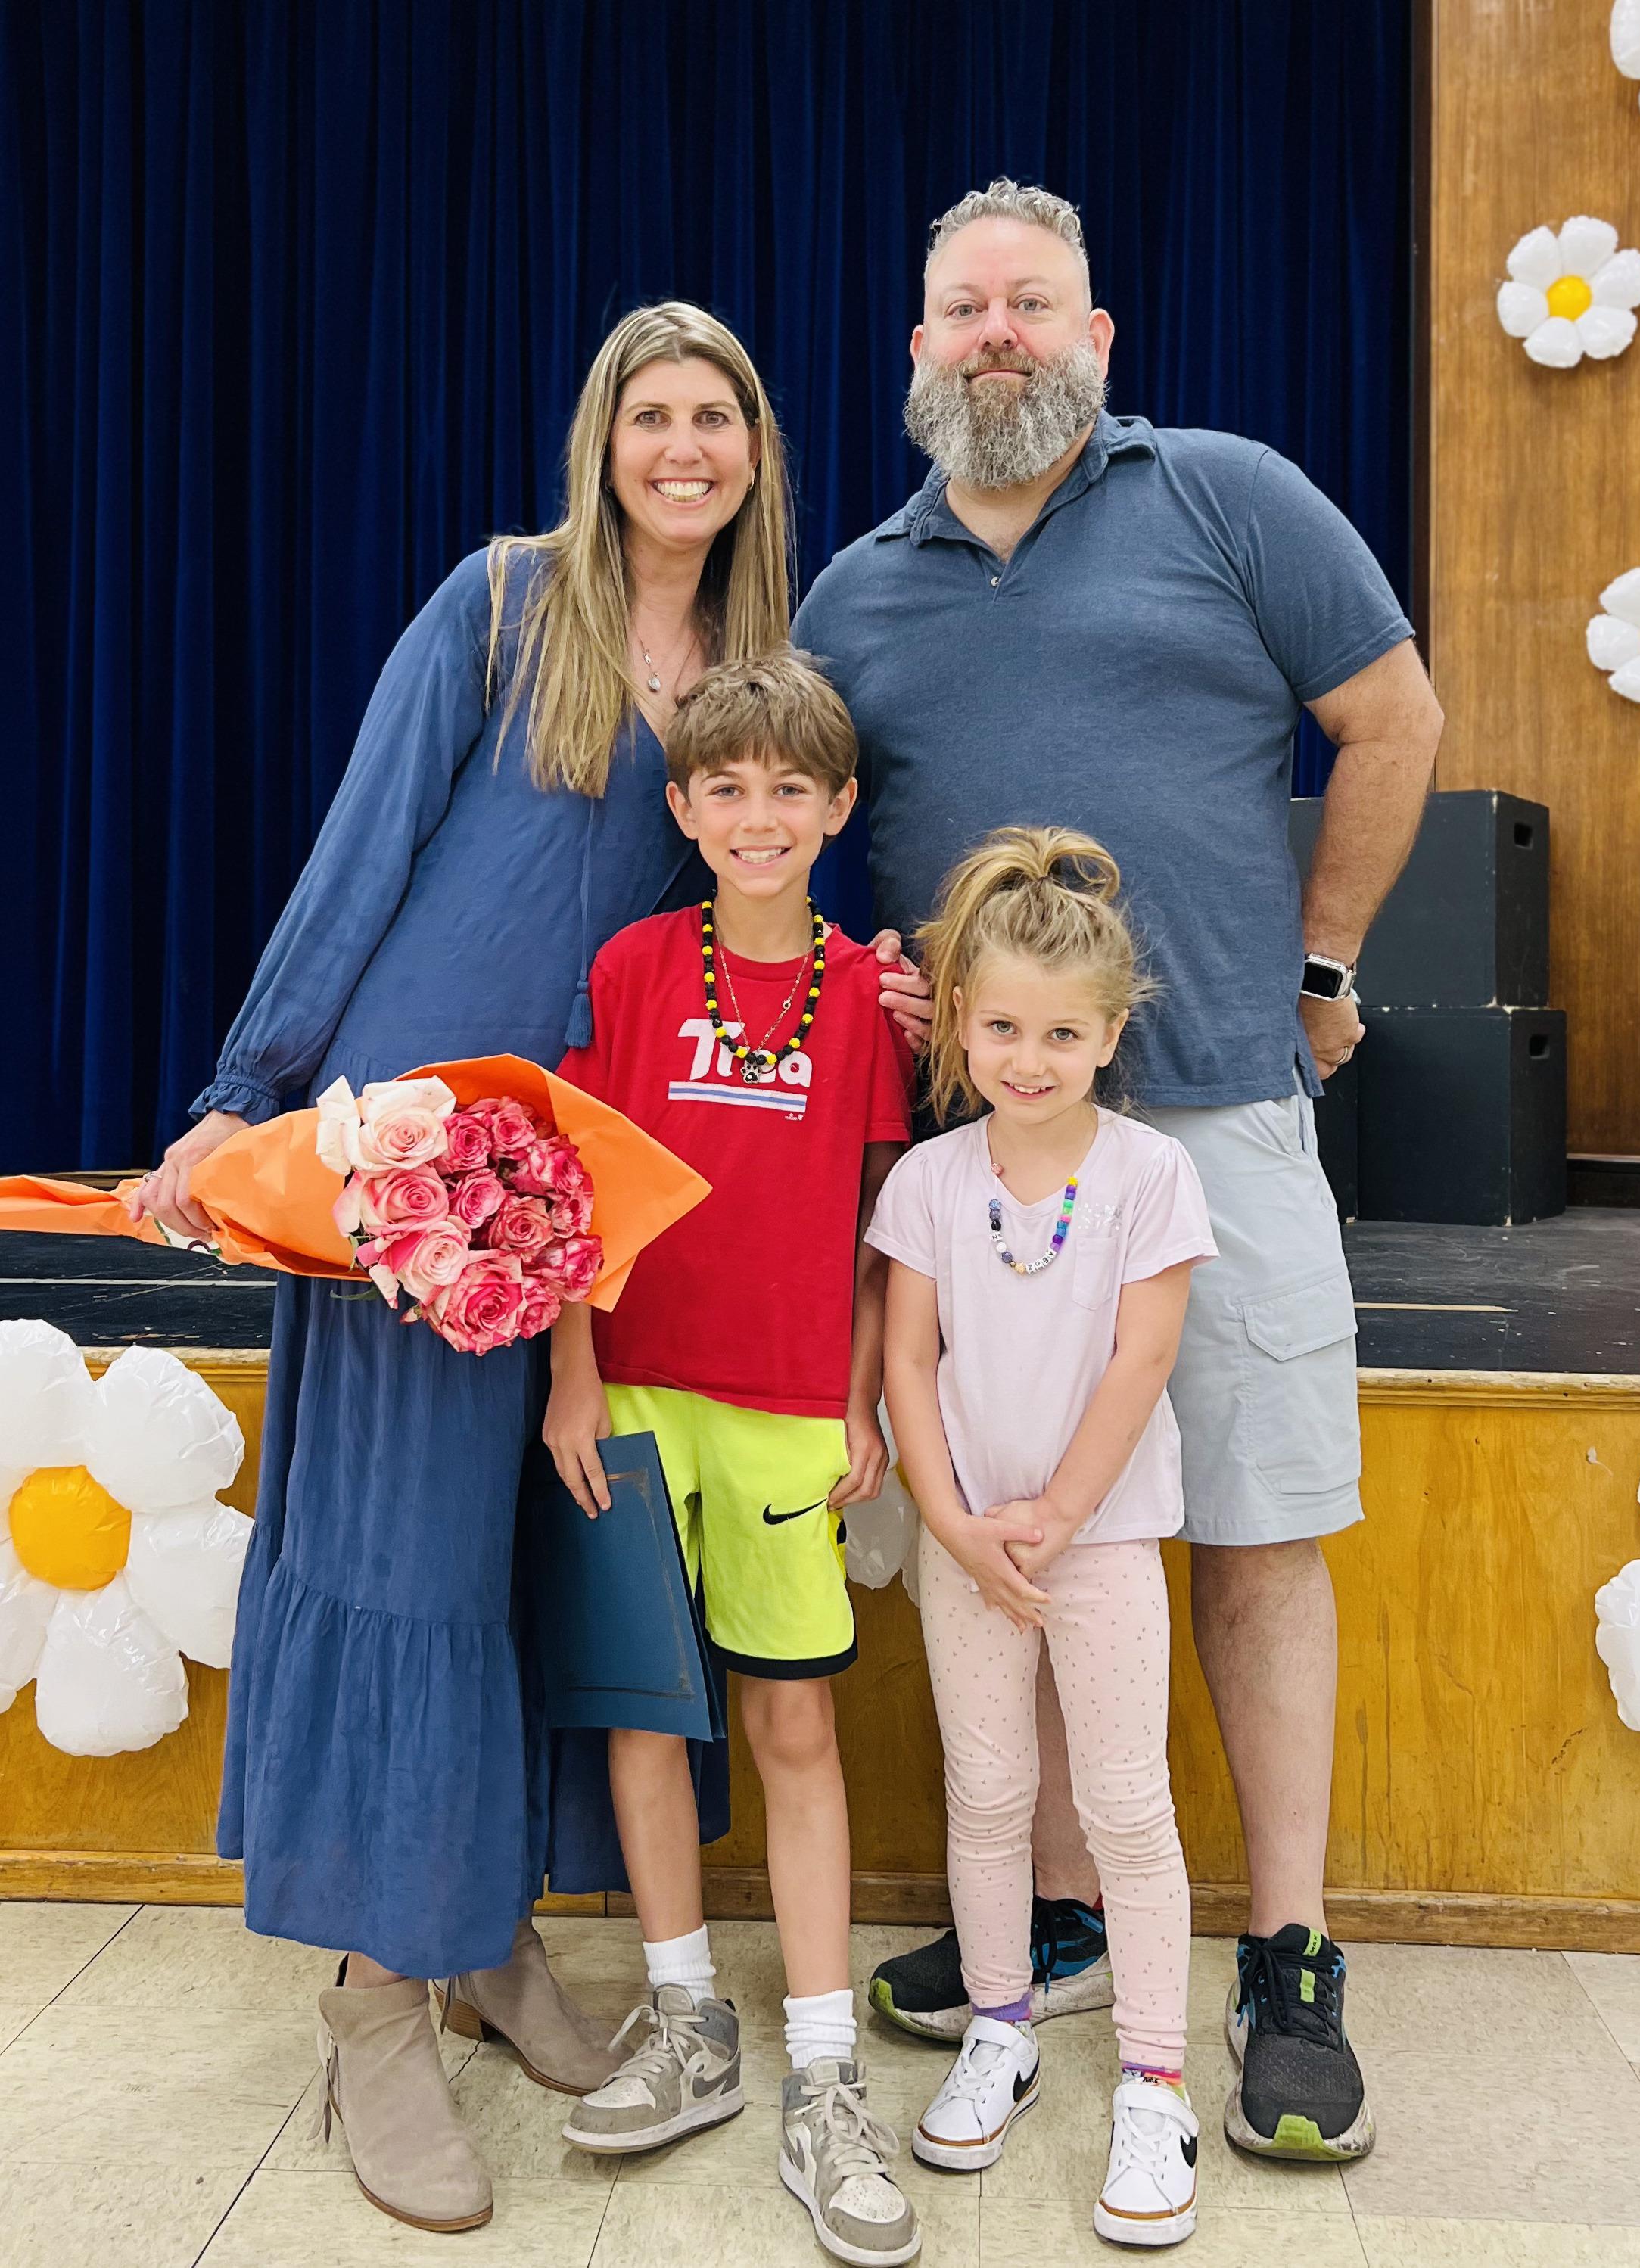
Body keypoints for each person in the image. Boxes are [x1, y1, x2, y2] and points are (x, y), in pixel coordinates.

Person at [127, 303, 928, 2236]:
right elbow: (358, 852)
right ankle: (372, 1998)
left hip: (605, 1212)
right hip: (420, 1178)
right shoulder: (499, 607)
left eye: (712, 414)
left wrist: (888, 979)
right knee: (401, 1567)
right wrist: (247, 1105)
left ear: (753, 450)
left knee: (532, 1572)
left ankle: (481, 1933)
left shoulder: (761, 682)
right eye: (649, 412)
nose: (681, 444)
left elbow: (776, 917)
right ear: (604, 438)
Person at [794, 179, 1445, 2164]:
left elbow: (1392, 716)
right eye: (962, 308)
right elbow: (790, 850)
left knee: (1252, 1530)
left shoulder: (1230, 498)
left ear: (1097, 339)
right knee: (1037, 1529)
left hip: (1221, 1116)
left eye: (1033, 305)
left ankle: (1288, 1950)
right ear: (918, 352)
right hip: (976, 1165)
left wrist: (1323, 967)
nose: (998, 333)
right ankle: (1064, 1925)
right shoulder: (853, 594)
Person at [546, 652, 921, 2266]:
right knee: (646, 1709)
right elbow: (571, 1188)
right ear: (684, 806)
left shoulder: (867, 996)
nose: (755, 814)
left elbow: (871, 1231)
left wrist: (860, 1400)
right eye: (725, 787)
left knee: (787, 1717)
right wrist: (569, 1377)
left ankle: (824, 2070)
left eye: (790, 788)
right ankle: (686, 2014)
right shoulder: (631, 968)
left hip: (780, 1406)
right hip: (630, 1394)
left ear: (837, 807)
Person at [873, 827, 1218, 2248]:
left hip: (1102, 1538)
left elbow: (1141, 1363)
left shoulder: (1148, 1178)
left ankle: (1155, 2076)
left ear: (1109, 1032)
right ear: (959, 1021)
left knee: (1127, 1805)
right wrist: (955, 1523)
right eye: (1002, 1025)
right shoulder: (932, 1182)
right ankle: (1000, 2027)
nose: (1027, 1055)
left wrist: (1057, 1517)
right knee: (992, 1792)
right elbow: (905, 1362)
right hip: (969, 1550)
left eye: (1060, 1032)